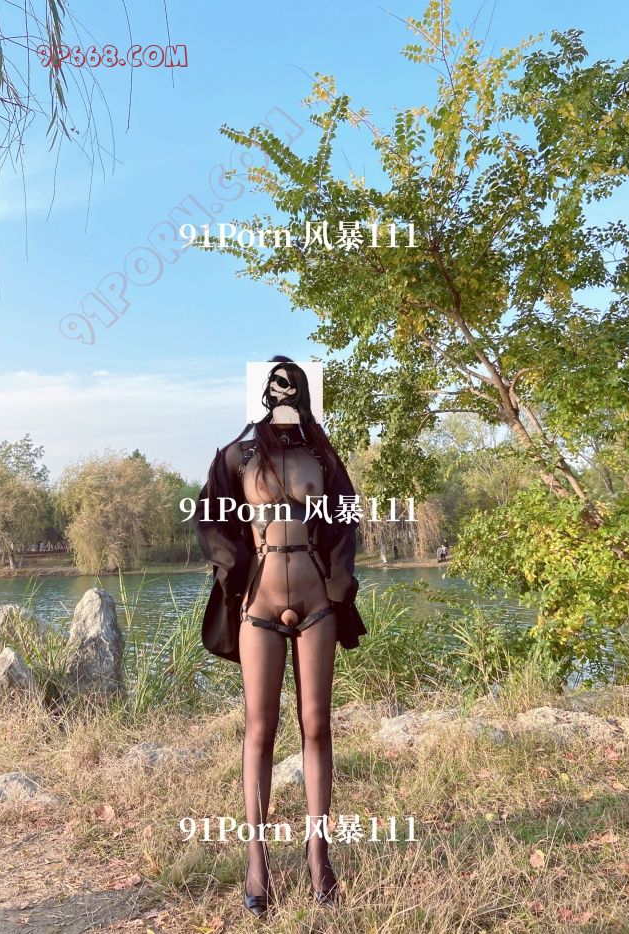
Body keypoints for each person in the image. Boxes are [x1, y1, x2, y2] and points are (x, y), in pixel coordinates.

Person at [193, 357, 366, 917]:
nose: (283, 389)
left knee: (317, 724)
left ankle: (319, 855)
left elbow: (346, 519)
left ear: (304, 389)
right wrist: (233, 571)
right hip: (260, 602)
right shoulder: (238, 454)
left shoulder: (323, 455)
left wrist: (339, 581)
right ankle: (256, 859)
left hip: (316, 602)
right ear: (263, 391)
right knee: (259, 729)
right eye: (274, 383)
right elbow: (209, 518)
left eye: (291, 382)